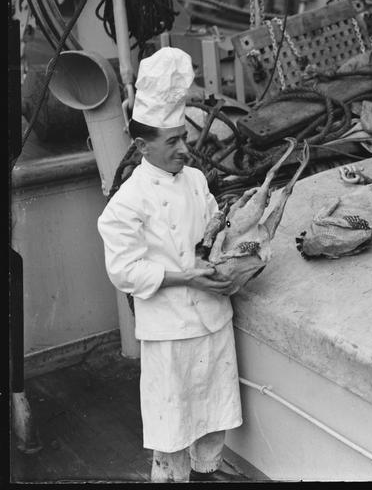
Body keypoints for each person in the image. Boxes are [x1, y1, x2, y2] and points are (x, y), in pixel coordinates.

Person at [97, 47, 242, 483]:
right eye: (173, 141)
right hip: (170, 327)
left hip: (213, 318)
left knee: (213, 406)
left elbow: (213, 228)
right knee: (173, 419)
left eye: (184, 136)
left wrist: (223, 258)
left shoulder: (196, 181)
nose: (185, 148)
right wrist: (187, 278)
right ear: (142, 145)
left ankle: (209, 471)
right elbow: (124, 271)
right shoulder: (127, 203)